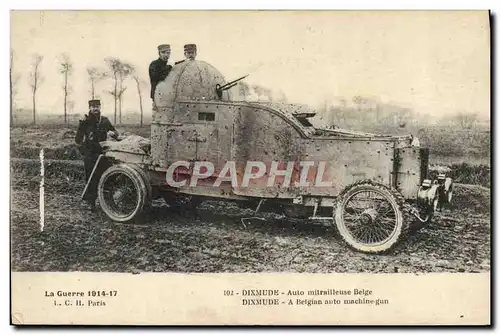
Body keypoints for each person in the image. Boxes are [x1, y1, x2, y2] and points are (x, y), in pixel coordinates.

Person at [75, 99, 119, 210]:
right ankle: (91, 203)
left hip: (104, 154)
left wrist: (113, 134)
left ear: (100, 107)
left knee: (107, 177)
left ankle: (107, 202)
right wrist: (85, 152)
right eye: (93, 107)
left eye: (97, 106)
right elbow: (78, 140)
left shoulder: (104, 120)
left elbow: (115, 133)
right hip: (90, 155)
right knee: (91, 178)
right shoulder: (85, 121)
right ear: (89, 108)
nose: (95, 109)